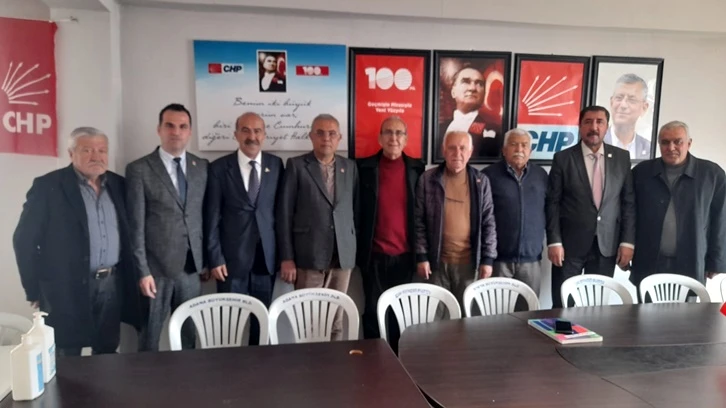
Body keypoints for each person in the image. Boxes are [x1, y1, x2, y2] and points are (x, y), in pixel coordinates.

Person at [13, 127, 140, 356]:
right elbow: (24, 240)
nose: (96, 156)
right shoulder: (48, 186)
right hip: (65, 287)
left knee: (107, 352)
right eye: (87, 150)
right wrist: (33, 289)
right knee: (66, 354)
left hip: (110, 285)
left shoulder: (119, 185)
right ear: (71, 154)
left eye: (102, 150)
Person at [126, 103, 209, 351]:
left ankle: (188, 376)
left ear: (190, 131)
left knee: (188, 337)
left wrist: (204, 261)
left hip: (191, 269)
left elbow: (201, 216)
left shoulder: (201, 167)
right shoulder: (140, 169)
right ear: (159, 129)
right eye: (170, 126)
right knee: (150, 337)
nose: (176, 132)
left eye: (183, 127)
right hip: (156, 271)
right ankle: (146, 377)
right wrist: (142, 271)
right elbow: (135, 226)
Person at [276, 113, 358, 341]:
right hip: (308, 256)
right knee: (308, 321)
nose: (326, 138)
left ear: (339, 138)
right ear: (311, 136)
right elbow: (284, 214)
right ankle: (309, 364)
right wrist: (287, 257)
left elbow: (354, 210)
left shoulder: (349, 167)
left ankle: (334, 363)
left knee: (335, 320)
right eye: (320, 133)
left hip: (341, 257)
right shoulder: (296, 166)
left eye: (332, 133)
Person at [204, 112, 283, 344]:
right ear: (236, 134)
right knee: (230, 326)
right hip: (230, 262)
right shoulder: (219, 168)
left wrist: (284, 256)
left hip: (265, 260)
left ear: (264, 135)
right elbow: (212, 216)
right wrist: (215, 258)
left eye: (257, 131)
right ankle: (231, 366)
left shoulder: (276, 165)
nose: (252, 136)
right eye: (246, 130)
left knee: (262, 325)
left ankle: (261, 365)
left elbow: (281, 213)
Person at [546, 106, 635, 309]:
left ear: (607, 127)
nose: (594, 127)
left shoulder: (621, 158)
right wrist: (554, 241)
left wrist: (627, 242)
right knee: (562, 303)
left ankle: (591, 331)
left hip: (606, 245)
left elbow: (628, 203)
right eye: (588, 122)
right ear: (580, 126)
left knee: (596, 304)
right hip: (569, 246)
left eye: (599, 122)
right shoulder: (563, 158)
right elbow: (553, 202)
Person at [631, 121, 725, 293]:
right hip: (649, 260)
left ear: (689, 143)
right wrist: (627, 247)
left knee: (687, 309)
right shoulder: (642, 172)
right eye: (665, 142)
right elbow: (630, 214)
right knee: (646, 309)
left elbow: (721, 219)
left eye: (677, 142)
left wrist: (716, 260)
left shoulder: (711, 174)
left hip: (692, 260)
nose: (671, 147)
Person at [356, 116, 425, 342]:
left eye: (398, 133)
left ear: (406, 139)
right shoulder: (364, 168)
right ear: (379, 138)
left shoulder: (417, 169)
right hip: (373, 255)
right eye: (388, 132)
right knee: (373, 312)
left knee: (401, 313)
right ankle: (373, 359)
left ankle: (397, 358)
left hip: (406, 256)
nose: (393, 138)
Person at [415, 130, 497, 308]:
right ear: (444, 151)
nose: (457, 153)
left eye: (462, 148)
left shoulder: (481, 181)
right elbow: (419, 221)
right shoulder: (428, 179)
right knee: (437, 315)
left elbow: (488, 223)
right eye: (452, 148)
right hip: (436, 264)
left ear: (470, 152)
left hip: (469, 264)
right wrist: (422, 256)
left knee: (465, 315)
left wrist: (488, 259)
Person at [482, 128, 548, 307]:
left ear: (530, 151)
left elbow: (550, 211)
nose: (519, 149)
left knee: (528, 312)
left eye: (524, 145)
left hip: (531, 260)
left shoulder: (541, 175)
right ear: (504, 150)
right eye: (513, 144)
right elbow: (482, 218)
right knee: (495, 312)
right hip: (498, 260)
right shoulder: (488, 176)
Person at [438, 66, 500, 159]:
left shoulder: (494, 130)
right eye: (466, 82)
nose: (472, 88)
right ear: (453, 92)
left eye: (479, 83)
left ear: (484, 94)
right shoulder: (439, 129)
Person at [603, 73, 652, 159]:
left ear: (644, 108)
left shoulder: (649, 149)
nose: (623, 105)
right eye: (619, 98)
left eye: (631, 100)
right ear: (611, 102)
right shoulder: (596, 144)